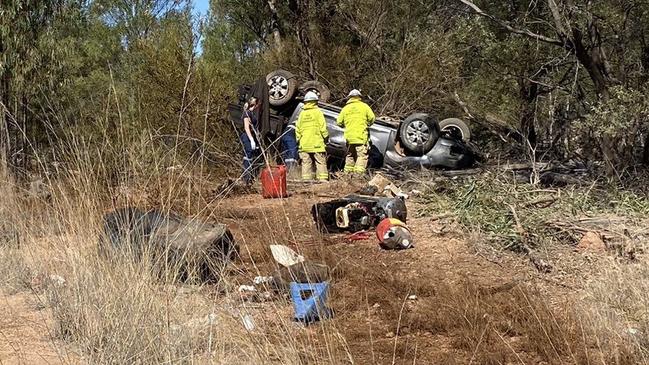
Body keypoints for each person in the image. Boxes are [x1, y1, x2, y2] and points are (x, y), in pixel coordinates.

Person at [336, 89, 375, 175]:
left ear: (349, 98)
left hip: (349, 138)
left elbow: (339, 122)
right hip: (361, 137)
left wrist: (346, 125)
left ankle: (347, 175)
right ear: (359, 97)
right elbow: (372, 118)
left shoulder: (345, 109)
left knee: (350, 156)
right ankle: (357, 176)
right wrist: (367, 124)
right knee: (361, 156)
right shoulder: (364, 106)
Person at [295, 91, 329, 181]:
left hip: (304, 143)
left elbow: (297, 128)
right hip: (316, 143)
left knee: (306, 162)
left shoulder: (302, 114)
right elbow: (323, 127)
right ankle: (323, 180)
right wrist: (326, 137)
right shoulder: (318, 112)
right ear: (315, 101)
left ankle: (306, 180)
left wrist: (298, 139)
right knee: (320, 161)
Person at [240, 97, 261, 185]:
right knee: (248, 156)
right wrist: (251, 139)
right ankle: (246, 177)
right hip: (247, 137)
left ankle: (249, 177)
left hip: (252, 136)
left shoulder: (251, 113)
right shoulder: (247, 113)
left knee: (252, 156)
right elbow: (246, 127)